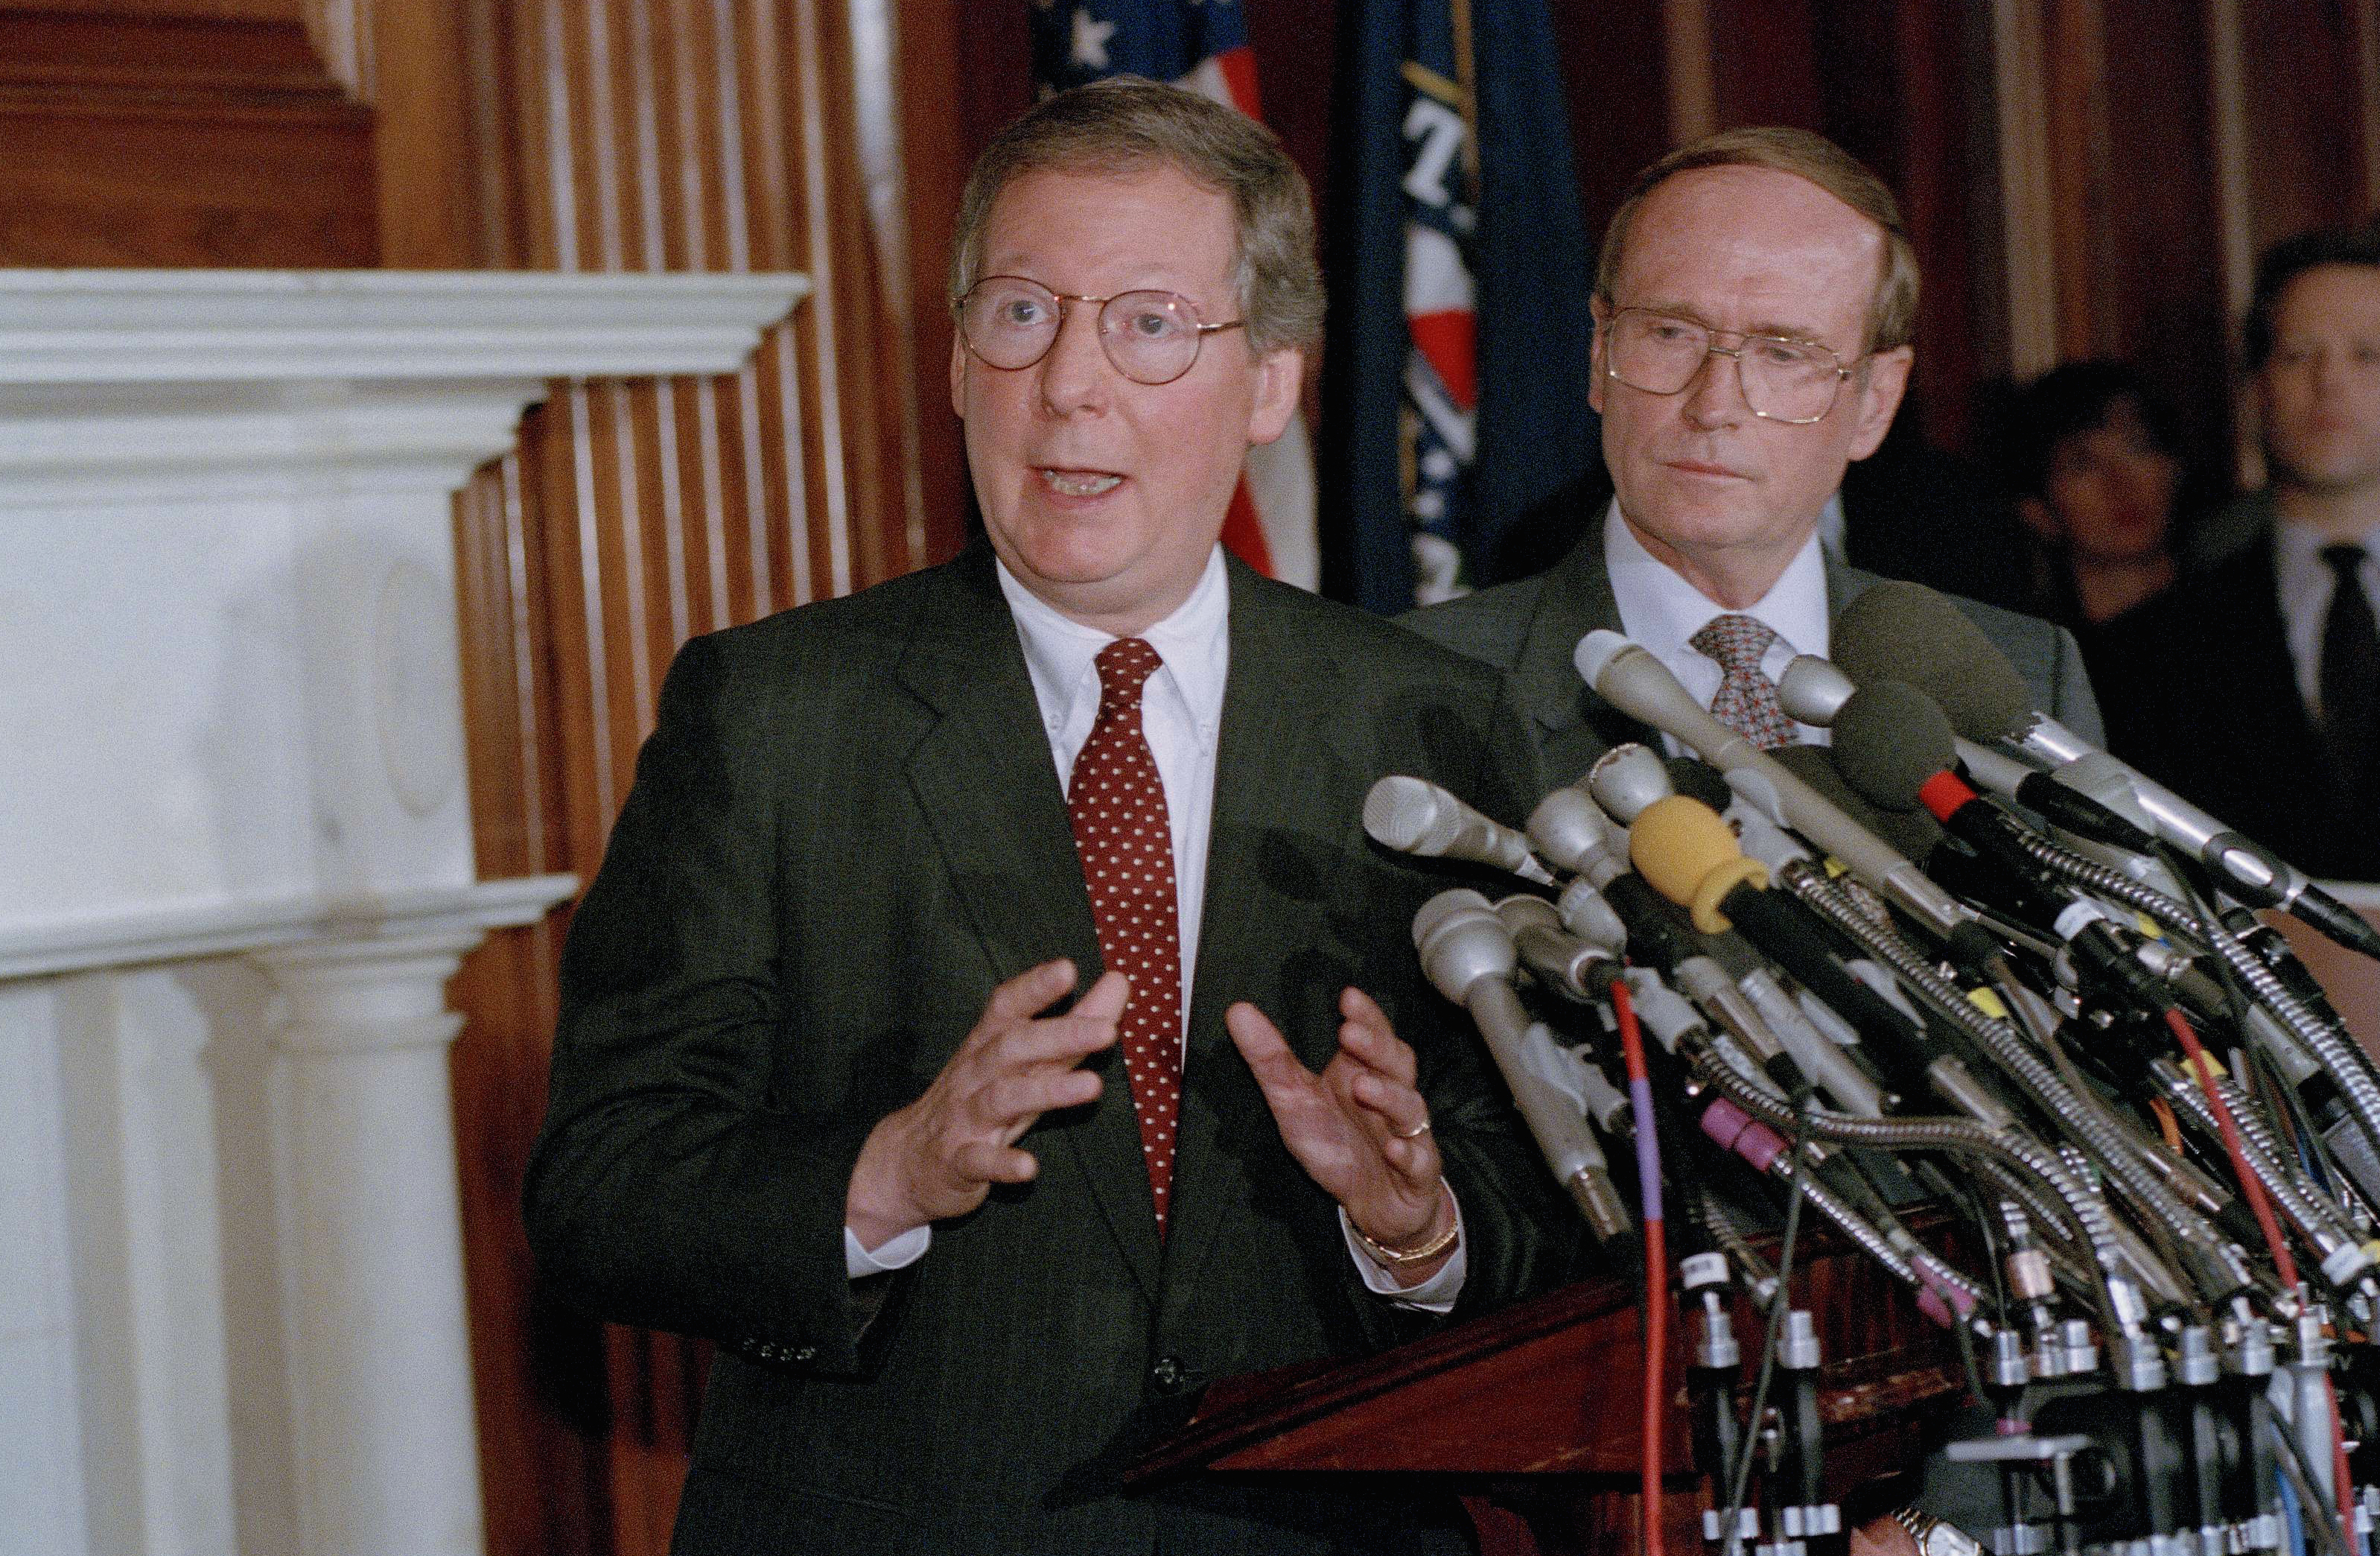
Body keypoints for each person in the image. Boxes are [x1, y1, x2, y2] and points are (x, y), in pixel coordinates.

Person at [523, 78, 1573, 1555]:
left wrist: (1417, 1223)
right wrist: (885, 1171)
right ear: (957, 360)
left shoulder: (1427, 722)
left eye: (1146, 323)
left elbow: (1551, 1189)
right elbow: (600, 1188)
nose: (1068, 384)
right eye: (1020, 314)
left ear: (1269, 380)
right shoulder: (772, 714)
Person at [1403, 127, 2100, 796]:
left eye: (1784, 353)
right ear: (1599, 357)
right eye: (1671, 333)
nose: (1713, 405)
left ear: (1875, 401)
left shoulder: (2025, 682)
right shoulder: (1417, 681)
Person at [2087, 223, 2380, 880]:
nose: (2331, 382)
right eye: (2300, 355)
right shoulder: (2149, 651)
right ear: (2256, 389)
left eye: (2369, 355)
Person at [1997, 361, 2189, 629]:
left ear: (2173, 467)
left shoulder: (2244, 614)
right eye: (2083, 465)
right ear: (2037, 511)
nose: (2122, 484)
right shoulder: (2034, 656)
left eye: (2137, 448)